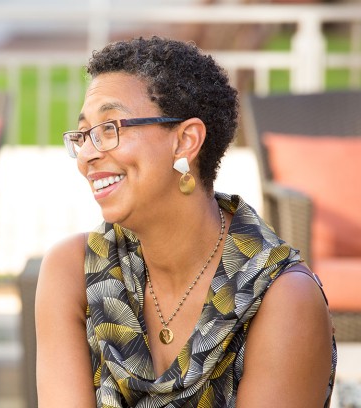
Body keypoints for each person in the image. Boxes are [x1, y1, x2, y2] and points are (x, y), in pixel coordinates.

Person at [35, 36, 336, 408]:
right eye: (84, 135)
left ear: (185, 141)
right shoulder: (74, 272)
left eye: (110, 128)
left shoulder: (282, 299)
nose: (87, 156)